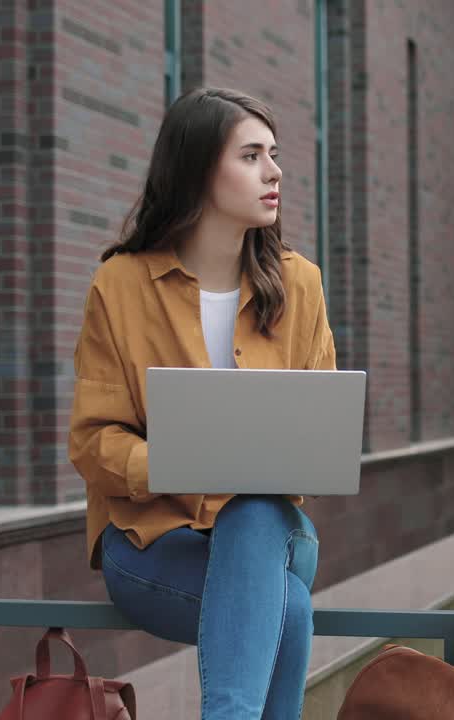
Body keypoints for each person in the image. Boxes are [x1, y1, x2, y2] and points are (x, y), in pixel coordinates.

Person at [69, 87, 336, 720]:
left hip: (275, 533)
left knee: (253, 509)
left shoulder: (301, 284)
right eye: (250, 156)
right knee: (289, 610)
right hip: (150, 541)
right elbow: (92, 442)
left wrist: (251, 467)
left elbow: (322, 435)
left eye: (273, 155)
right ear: (196, 170)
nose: (274, 172)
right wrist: (180, 461)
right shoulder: (120, 285)